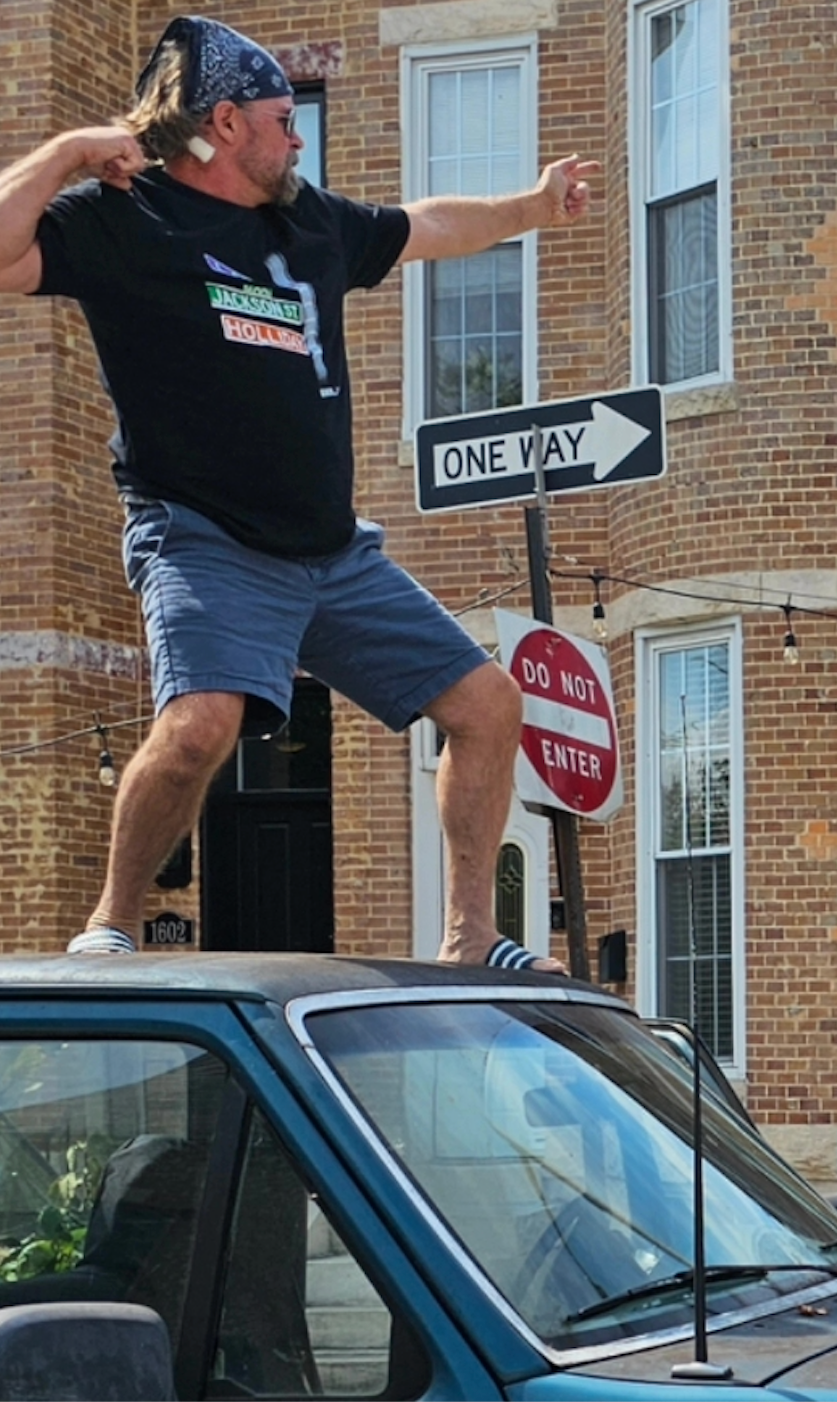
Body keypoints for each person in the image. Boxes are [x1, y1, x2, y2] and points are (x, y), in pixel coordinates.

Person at [0, 17, 600, 972]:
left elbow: (430, 225)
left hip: (332, 554)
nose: (300, 138)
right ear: (226, 123)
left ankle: (471, 936)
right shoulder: (127, 221)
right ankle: (110, 922)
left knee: (488, 705)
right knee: (202, 723)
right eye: (286, 119)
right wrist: (73, 149)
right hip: (203, 539)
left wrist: (531, 207)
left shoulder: (309, 223)